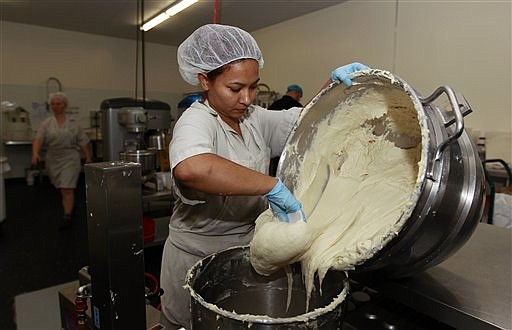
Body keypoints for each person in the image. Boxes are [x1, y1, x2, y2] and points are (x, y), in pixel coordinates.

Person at [160, 23, 369, 328]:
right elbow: (193, 168)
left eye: (253, 86)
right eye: (235, 88)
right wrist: (272, 187)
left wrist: (332, 88)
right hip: (197, 261)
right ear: (205, 80)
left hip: (250, 252)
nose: (246, 98)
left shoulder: (253, 117)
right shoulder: (195, 122)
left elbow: (306, 122)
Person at [31, 92, 92, 229]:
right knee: (62, 187)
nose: (55, 106)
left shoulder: (73, 123)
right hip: (53, 158)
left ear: (64, 105)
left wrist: (88, 156)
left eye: (58, 103)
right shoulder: (46, 123)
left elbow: (83, 141)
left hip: (70, 157)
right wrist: (35, 153)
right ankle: (70, 204)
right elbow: (38, 139)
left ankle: (67, 216)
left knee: (66, 188)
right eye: (53, 104)